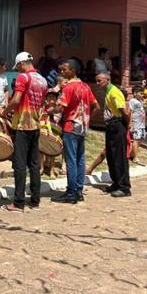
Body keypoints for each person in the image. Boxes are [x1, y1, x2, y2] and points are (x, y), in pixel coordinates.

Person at [0, 52, 48, 212]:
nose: (18, 69)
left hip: (22, 126)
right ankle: (35, 201)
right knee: (34, 164)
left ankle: (18, 202)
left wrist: (5, 112)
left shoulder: (23, 78)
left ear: (21, 63)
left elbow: (16, 99)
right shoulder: (43, 80)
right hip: (35, 125)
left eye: (18, 66)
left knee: (19, 164)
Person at [51, 60, 99, 204]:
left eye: (65, 70)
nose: (62, 72)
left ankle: (71, 193)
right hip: (82, 127)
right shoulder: (85, 86)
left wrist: (50, 110)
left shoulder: (69, 87)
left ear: (73, 70)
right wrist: (88, 118)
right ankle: (78, 191)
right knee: (80, 160)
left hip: (71, 126)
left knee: (71, 160)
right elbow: (96, 106)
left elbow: (60, 107)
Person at [96, 72, 131, 197]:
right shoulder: (108, 91)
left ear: (107, 80)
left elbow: (123, 110)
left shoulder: (114, 92)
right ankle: (116, 182)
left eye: (100, 81)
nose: (98, 83)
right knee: (111, 156)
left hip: (117, 124)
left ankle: (124, 187)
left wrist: (128, 124)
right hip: (111, 125)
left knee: (119, 156)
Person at [40, 91, 61, 178]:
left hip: (54, 133)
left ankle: (52, 170)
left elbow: (58, 120)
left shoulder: (58, 109)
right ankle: (41, 168)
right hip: (43, 131)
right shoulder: (43, 108)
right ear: (46, 99)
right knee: (41, 150)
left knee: (52, 152)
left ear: (56, 99)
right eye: (49, 97)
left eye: (53, 97)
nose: (51, 99)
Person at [128, 85, 146, 163]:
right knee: (136, 139)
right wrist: (130, 123)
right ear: (135, 93)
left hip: (142, 124)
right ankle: (135, 157)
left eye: (143, 93)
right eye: (140, 93)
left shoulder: (142, 101)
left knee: (140, 139)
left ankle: (132, 154)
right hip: (136, 123)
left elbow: (144, 110)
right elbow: (130, 112)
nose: (142, 95)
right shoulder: (132, 101)